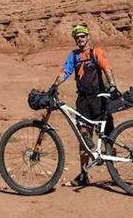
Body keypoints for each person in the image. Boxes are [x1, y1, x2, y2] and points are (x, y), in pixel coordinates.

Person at [50, 24, 120, 187]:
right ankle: (83, 175)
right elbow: (65, 72)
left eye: (82, 36)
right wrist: (55, 85)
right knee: (83, 139)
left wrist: (112, 85)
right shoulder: (73, 56)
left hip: (99, 99)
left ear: (87, 37)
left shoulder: (96, 52)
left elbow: (106, 68)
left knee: (109, 137)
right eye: (77, 37)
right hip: (83, 101)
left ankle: (115, 174)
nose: (80, 39)